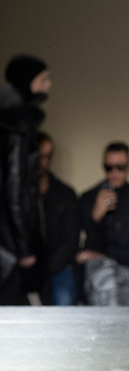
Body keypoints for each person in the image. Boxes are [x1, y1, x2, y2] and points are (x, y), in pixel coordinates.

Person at [0, 54, 51, 304]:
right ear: (27, 82)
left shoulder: (11, 120)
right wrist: (24, 249)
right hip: (10, 244)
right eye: (44, 79)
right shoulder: (16, 125)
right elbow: (14, 190)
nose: (48, 85)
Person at [78, 142, 129, 306]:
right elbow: (87, 244)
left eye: (120, 167)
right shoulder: (89, 197)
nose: (114, 172)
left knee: (108, 278)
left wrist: (105, 255)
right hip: (101, 270)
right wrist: (95, 217)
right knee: (105, 277)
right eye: (109, 167)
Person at [37, 131, 79, 305]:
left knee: (64, 297)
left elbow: (71, 241)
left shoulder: (65, 194)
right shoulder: (17, 195)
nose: (41, 162)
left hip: (59, 266)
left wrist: (46, 269)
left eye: (46, 156)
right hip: (24, 267)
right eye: (38, 156)